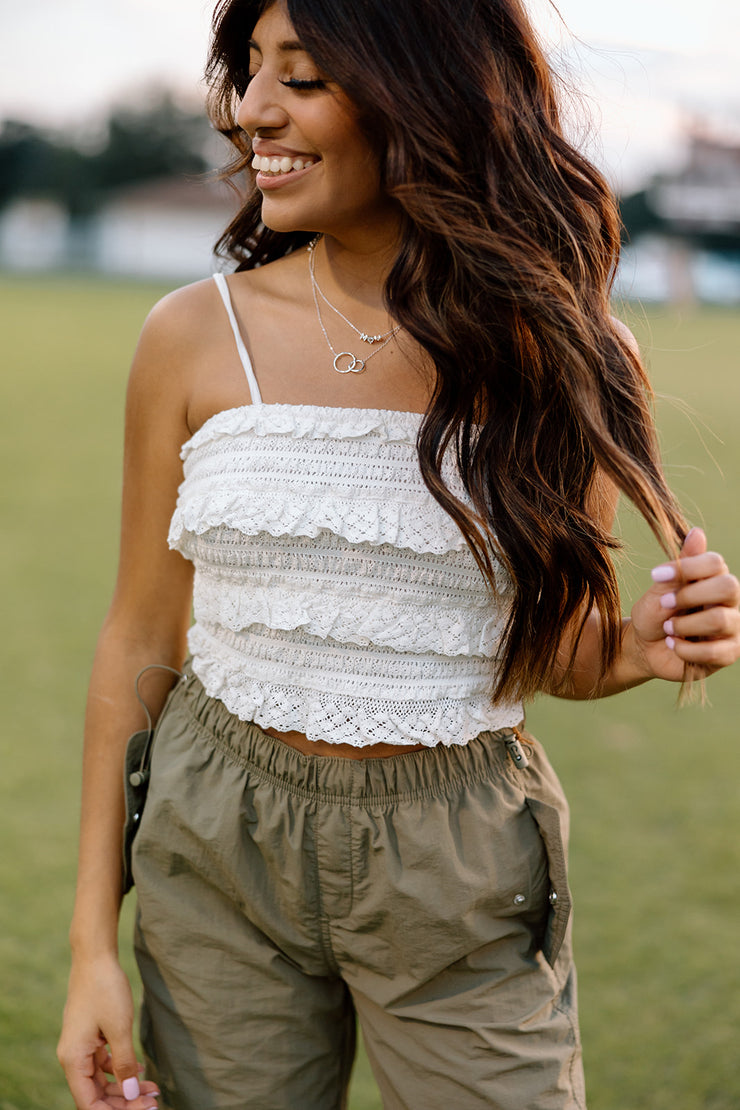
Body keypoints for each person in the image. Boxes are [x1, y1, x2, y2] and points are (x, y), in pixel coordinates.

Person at [57, 0, 740, 1107]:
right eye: (249, 71)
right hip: (214, 835)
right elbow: (138, 634)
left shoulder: (566, 348)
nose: (251, 110)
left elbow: (560, 654)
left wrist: (644, 643)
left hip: (459, 854)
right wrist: (92, 947)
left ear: (424, 96)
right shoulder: (188, 334)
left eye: (305, 77)